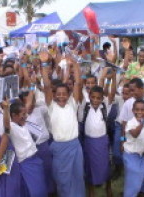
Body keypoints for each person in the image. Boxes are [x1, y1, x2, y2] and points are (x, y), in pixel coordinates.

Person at [42, 53, 85, 197]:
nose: (61, 96)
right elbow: (47, 85)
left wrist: (75, 64)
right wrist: (44, 64)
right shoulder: (51, 106)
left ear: (69, 95)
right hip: (59, 148)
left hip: (74, 146)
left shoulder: (72, 104)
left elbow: (78, 83)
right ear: (54, 96)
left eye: (64, 94)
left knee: (77, 176)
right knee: (62, 179)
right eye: (58, 94)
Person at [80, 84, 115, 197]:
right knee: (89, 165)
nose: (95, 100)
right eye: (93, 97)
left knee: (105, 164)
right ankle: (91, 189)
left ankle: (108, 186)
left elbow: (112, 93)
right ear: (89, 96)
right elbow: (79, 88)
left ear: (102, 98)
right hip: (89, 142)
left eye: (98, 98)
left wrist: (113, 77)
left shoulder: (105, 107)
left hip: (102, 141)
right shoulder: (84, 107)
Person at [8, 101, 48, 197]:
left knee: (40, 189)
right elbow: (6, 123)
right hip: (25, 163)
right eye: (23, 114)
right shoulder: (11, 127)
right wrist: (6, 109)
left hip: (35, 159)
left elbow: (28, 104)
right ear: (14, 115)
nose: (26, 116)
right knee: (35, 191)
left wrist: (32, 87)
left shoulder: (25, 124)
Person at [119, 78, 144, 157]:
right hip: (130, 144)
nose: (131, 93)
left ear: (142, 89)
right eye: (130, 91)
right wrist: (122, 142)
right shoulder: (128, 104)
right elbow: (124, 126)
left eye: (133, 90)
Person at [123, 99, 144, 197]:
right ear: (133, 110)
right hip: (131, 156)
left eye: (142, 110)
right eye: (137, 109)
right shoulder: (130, 123)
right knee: (133, 185)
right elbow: (135, 134)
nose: (139, 112)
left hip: (141, 157)